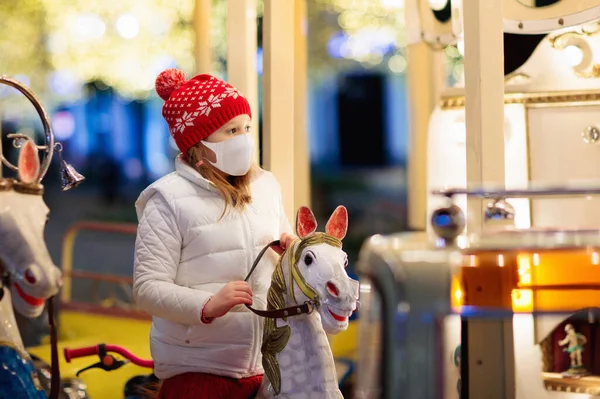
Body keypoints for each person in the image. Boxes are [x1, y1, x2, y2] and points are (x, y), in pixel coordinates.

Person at [133, 69, 297, 399]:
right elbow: (147, 288)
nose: (244, 139)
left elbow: (282, 257)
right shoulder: (166, 200)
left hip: (264, 367)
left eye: (247, 128)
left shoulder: (266, 187)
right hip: (198, 372)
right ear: (198, 142)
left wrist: (292, 253)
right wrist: (207, 305)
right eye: (230, 130)